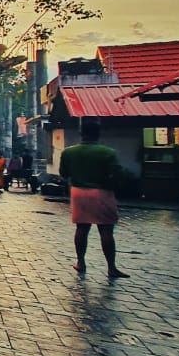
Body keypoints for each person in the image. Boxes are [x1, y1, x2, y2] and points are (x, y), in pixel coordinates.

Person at [59, 119, 128, 278]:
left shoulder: (68, 152)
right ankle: (111, 267)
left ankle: (81, 262)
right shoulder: (108, 153)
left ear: (81, 133)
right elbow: (118, 174)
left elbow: (64, 174)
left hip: (78, 193)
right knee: (106, 231)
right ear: (98, 134)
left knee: (81, 229)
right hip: (102, 192)